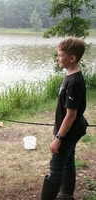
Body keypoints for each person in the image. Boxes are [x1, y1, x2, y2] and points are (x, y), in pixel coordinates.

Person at [41, 37, 88, 200]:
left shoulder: (74, 81)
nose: (57, 58)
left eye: (60, 55)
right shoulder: (71, 76)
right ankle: (66, 194)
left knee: (56, 167)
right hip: (71, 131)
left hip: (68, 133)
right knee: (68, 161)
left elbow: (71, 115)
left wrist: (58, 138)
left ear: (72, 58)